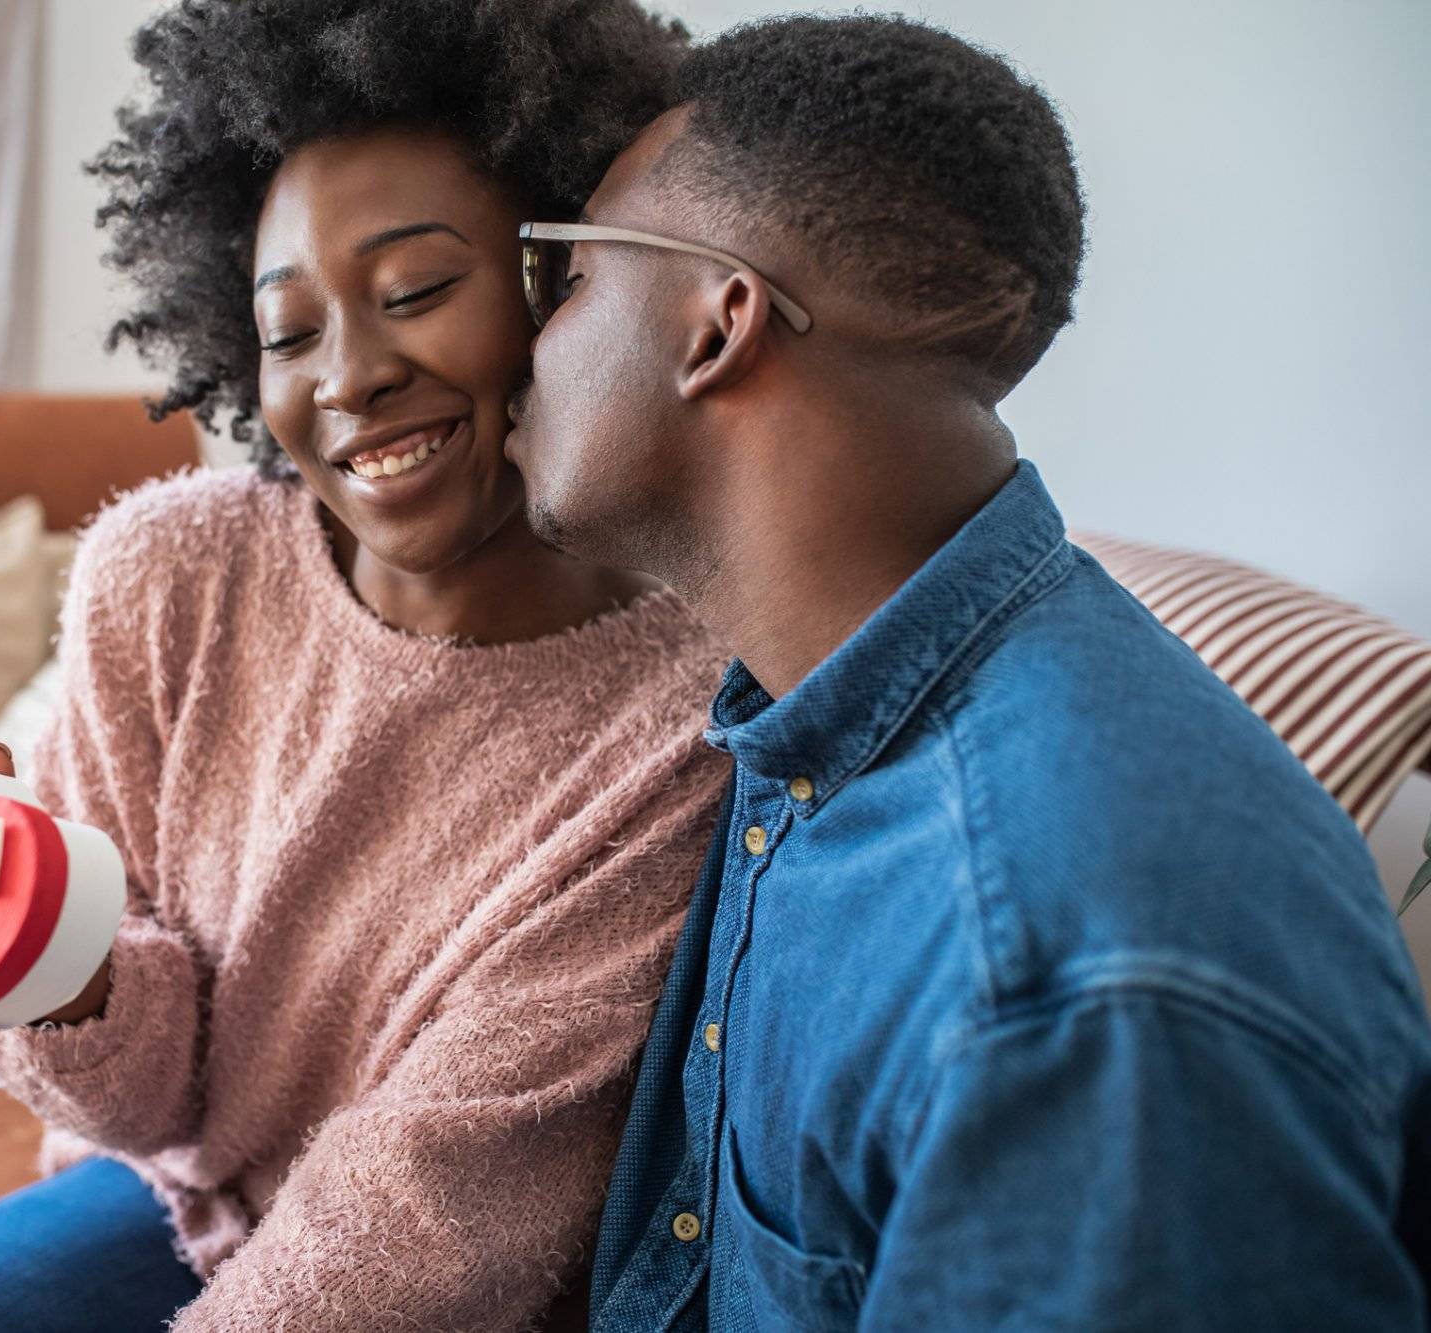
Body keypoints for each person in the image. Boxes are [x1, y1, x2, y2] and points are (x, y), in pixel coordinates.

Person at [0, 3, 728, 1331]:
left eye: (414, 293)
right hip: (167, 1201)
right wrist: (52, 963)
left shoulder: (691, 720)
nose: (349, 376)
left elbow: (429, 1222)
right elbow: (152, 1106)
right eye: (289, 330)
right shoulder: (167, 575)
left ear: (567, 285)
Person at [505, 14, 1431, 1330]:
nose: (522, 344)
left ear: (719, 322)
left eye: (569, 275)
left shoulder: (1072, 976)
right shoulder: (805, 710)